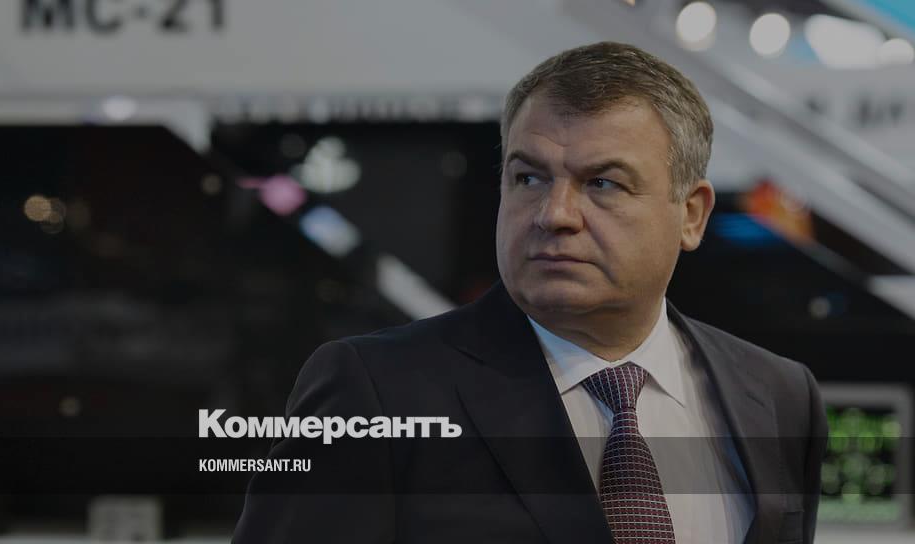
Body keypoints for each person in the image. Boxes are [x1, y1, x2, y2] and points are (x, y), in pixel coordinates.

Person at [233, 42, 827, 544]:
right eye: (529, 178)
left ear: (691, 215)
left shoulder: (778, 395)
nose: (554, 214)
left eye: (603, 183)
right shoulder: (374, 392)